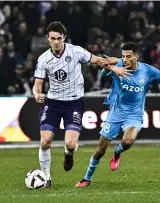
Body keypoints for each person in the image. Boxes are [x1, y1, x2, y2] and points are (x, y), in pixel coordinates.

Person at [76, 42, 160, 187]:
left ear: (136, 56)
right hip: (116, 113)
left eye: (129, 56)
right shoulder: (119, 65)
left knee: (128, 141)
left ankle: (117, 152)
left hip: (134, 115)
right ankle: (87, 178)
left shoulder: (148, 71)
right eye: (123, 56)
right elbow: (104, 72)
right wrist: (113, 68)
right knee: (100, 149)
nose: (125, 60)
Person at [32, 21, 118, 188]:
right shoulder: (43, 59)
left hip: (73, 103)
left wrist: (116, 65)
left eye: (58, 38)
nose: (55, 42)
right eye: (52, 38)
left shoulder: (76, 51)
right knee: (45, 141)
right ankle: (47, 178)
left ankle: (68, 153)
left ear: (64, 37)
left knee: (70, 144)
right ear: (47, 38)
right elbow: (38, 84)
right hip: (53, 102)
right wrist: (37, 94)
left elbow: (97, 60)